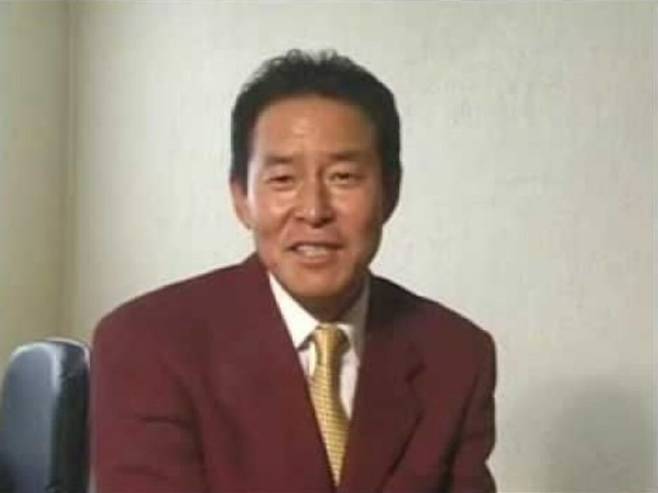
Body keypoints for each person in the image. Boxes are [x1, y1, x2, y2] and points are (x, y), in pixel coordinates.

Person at [92, 49, 497, 493]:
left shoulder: (455, 355)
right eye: (283, 179)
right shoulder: (148, 344)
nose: (314, 210)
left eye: (343, 177)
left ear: (391, 193)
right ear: (241, 199)